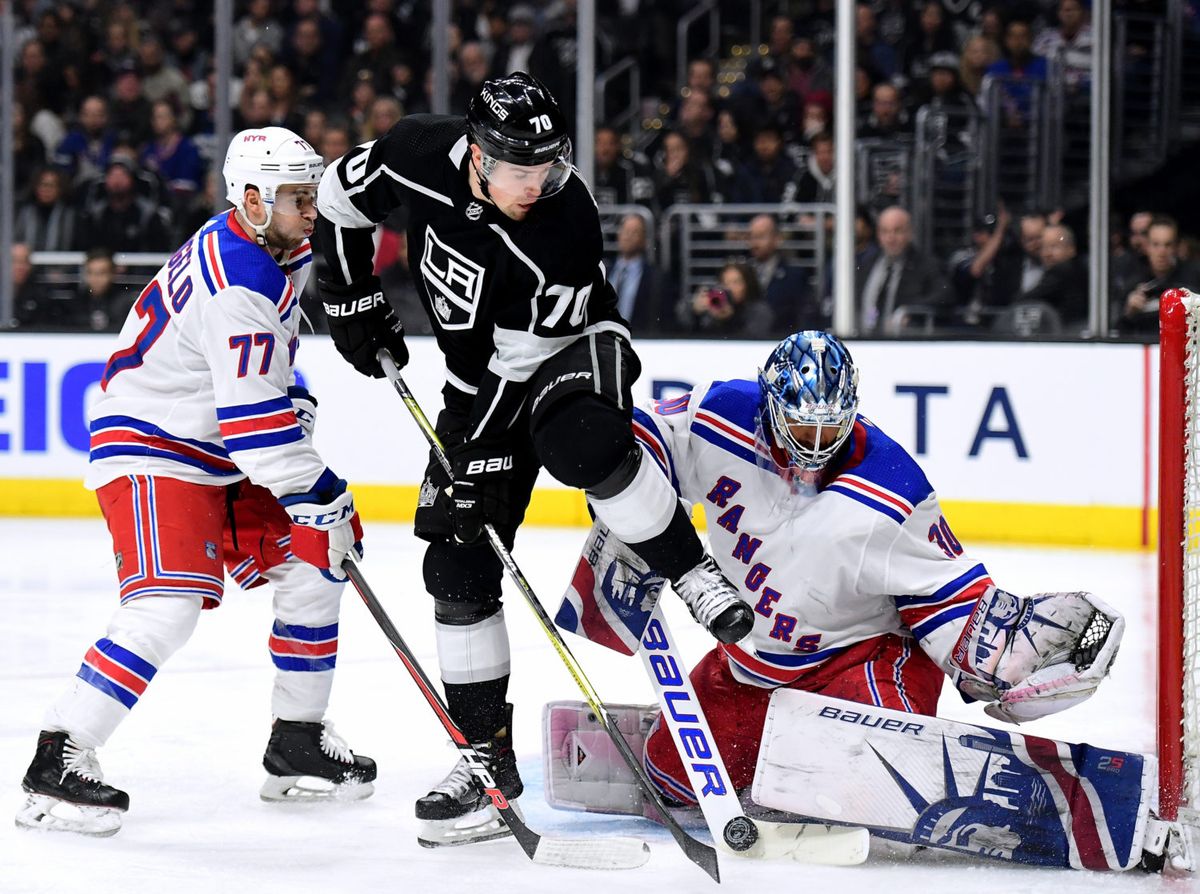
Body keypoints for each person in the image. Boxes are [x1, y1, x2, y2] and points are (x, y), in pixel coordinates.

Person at [553, 331, 1184, 872]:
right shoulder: (721, 414)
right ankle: (763, 750)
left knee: (884, 774)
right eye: (802, 425)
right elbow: (638, 443)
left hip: (864, 658)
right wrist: (629, 499)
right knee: (672, 782)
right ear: (770, 408)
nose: (815, 444)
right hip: (755, 664)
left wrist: (1021, 656)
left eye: (832, 426)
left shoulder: (890, 493)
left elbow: (954, 607)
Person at [314, 72, 750, 845]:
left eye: (547, 163)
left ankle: (688, 568)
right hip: (477, 377)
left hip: (570, 350)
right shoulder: (416, 149)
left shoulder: (561, 220)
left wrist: (472, 464)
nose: (537, 180)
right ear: (475, 154)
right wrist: (350, 295)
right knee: (454, 562)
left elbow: (518, 362)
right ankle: (487, 764)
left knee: (578, 441)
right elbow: (338, 200)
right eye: (520, 168)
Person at [15, 127, 375, 838]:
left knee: (316, 562)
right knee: (167, 606)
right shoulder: (242, 277)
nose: (312, 207)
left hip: (208, 439)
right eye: (298, 195)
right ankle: (58, 756)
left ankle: (296, 740)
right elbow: (254, 425)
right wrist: (320, 491)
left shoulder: (271, 244)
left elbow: (245, 383)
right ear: (252, 198)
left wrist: (281, 397)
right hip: (155, 445)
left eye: (310, 192)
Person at [857, 205, 951, 333]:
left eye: (897, 231)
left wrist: (911, 311)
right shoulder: (867, 264)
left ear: (909, 233)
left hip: (906, 343)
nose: (891, 238)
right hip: (865, 342)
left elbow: (945, 295)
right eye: (885, 231)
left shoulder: (926, 264)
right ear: (878, 234)